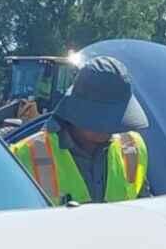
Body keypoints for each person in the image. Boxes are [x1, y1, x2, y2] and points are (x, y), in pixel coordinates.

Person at [11, 54, 149, 204]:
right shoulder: (24, 157)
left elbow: (144, 210)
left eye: (116, 118)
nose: (109, 127)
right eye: (102, 118)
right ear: (75, 110)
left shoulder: (132, 148)